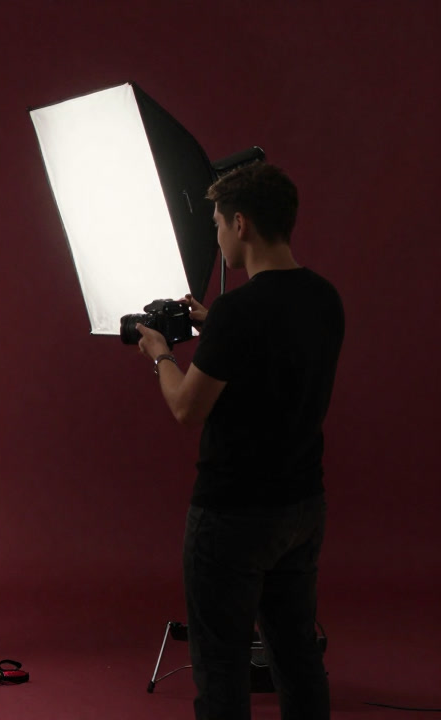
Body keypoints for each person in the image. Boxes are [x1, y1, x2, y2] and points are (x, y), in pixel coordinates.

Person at [133, 162, 342, 719]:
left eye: (219, 225)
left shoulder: (238, 312)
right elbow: (273, 362)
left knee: (221, 665)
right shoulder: (324, 298)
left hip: (233, 514)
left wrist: (160, 355)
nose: (219, 236)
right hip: (302, 505)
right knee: (296, 654)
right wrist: (214, 326)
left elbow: (187, 408)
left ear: (241, 223)